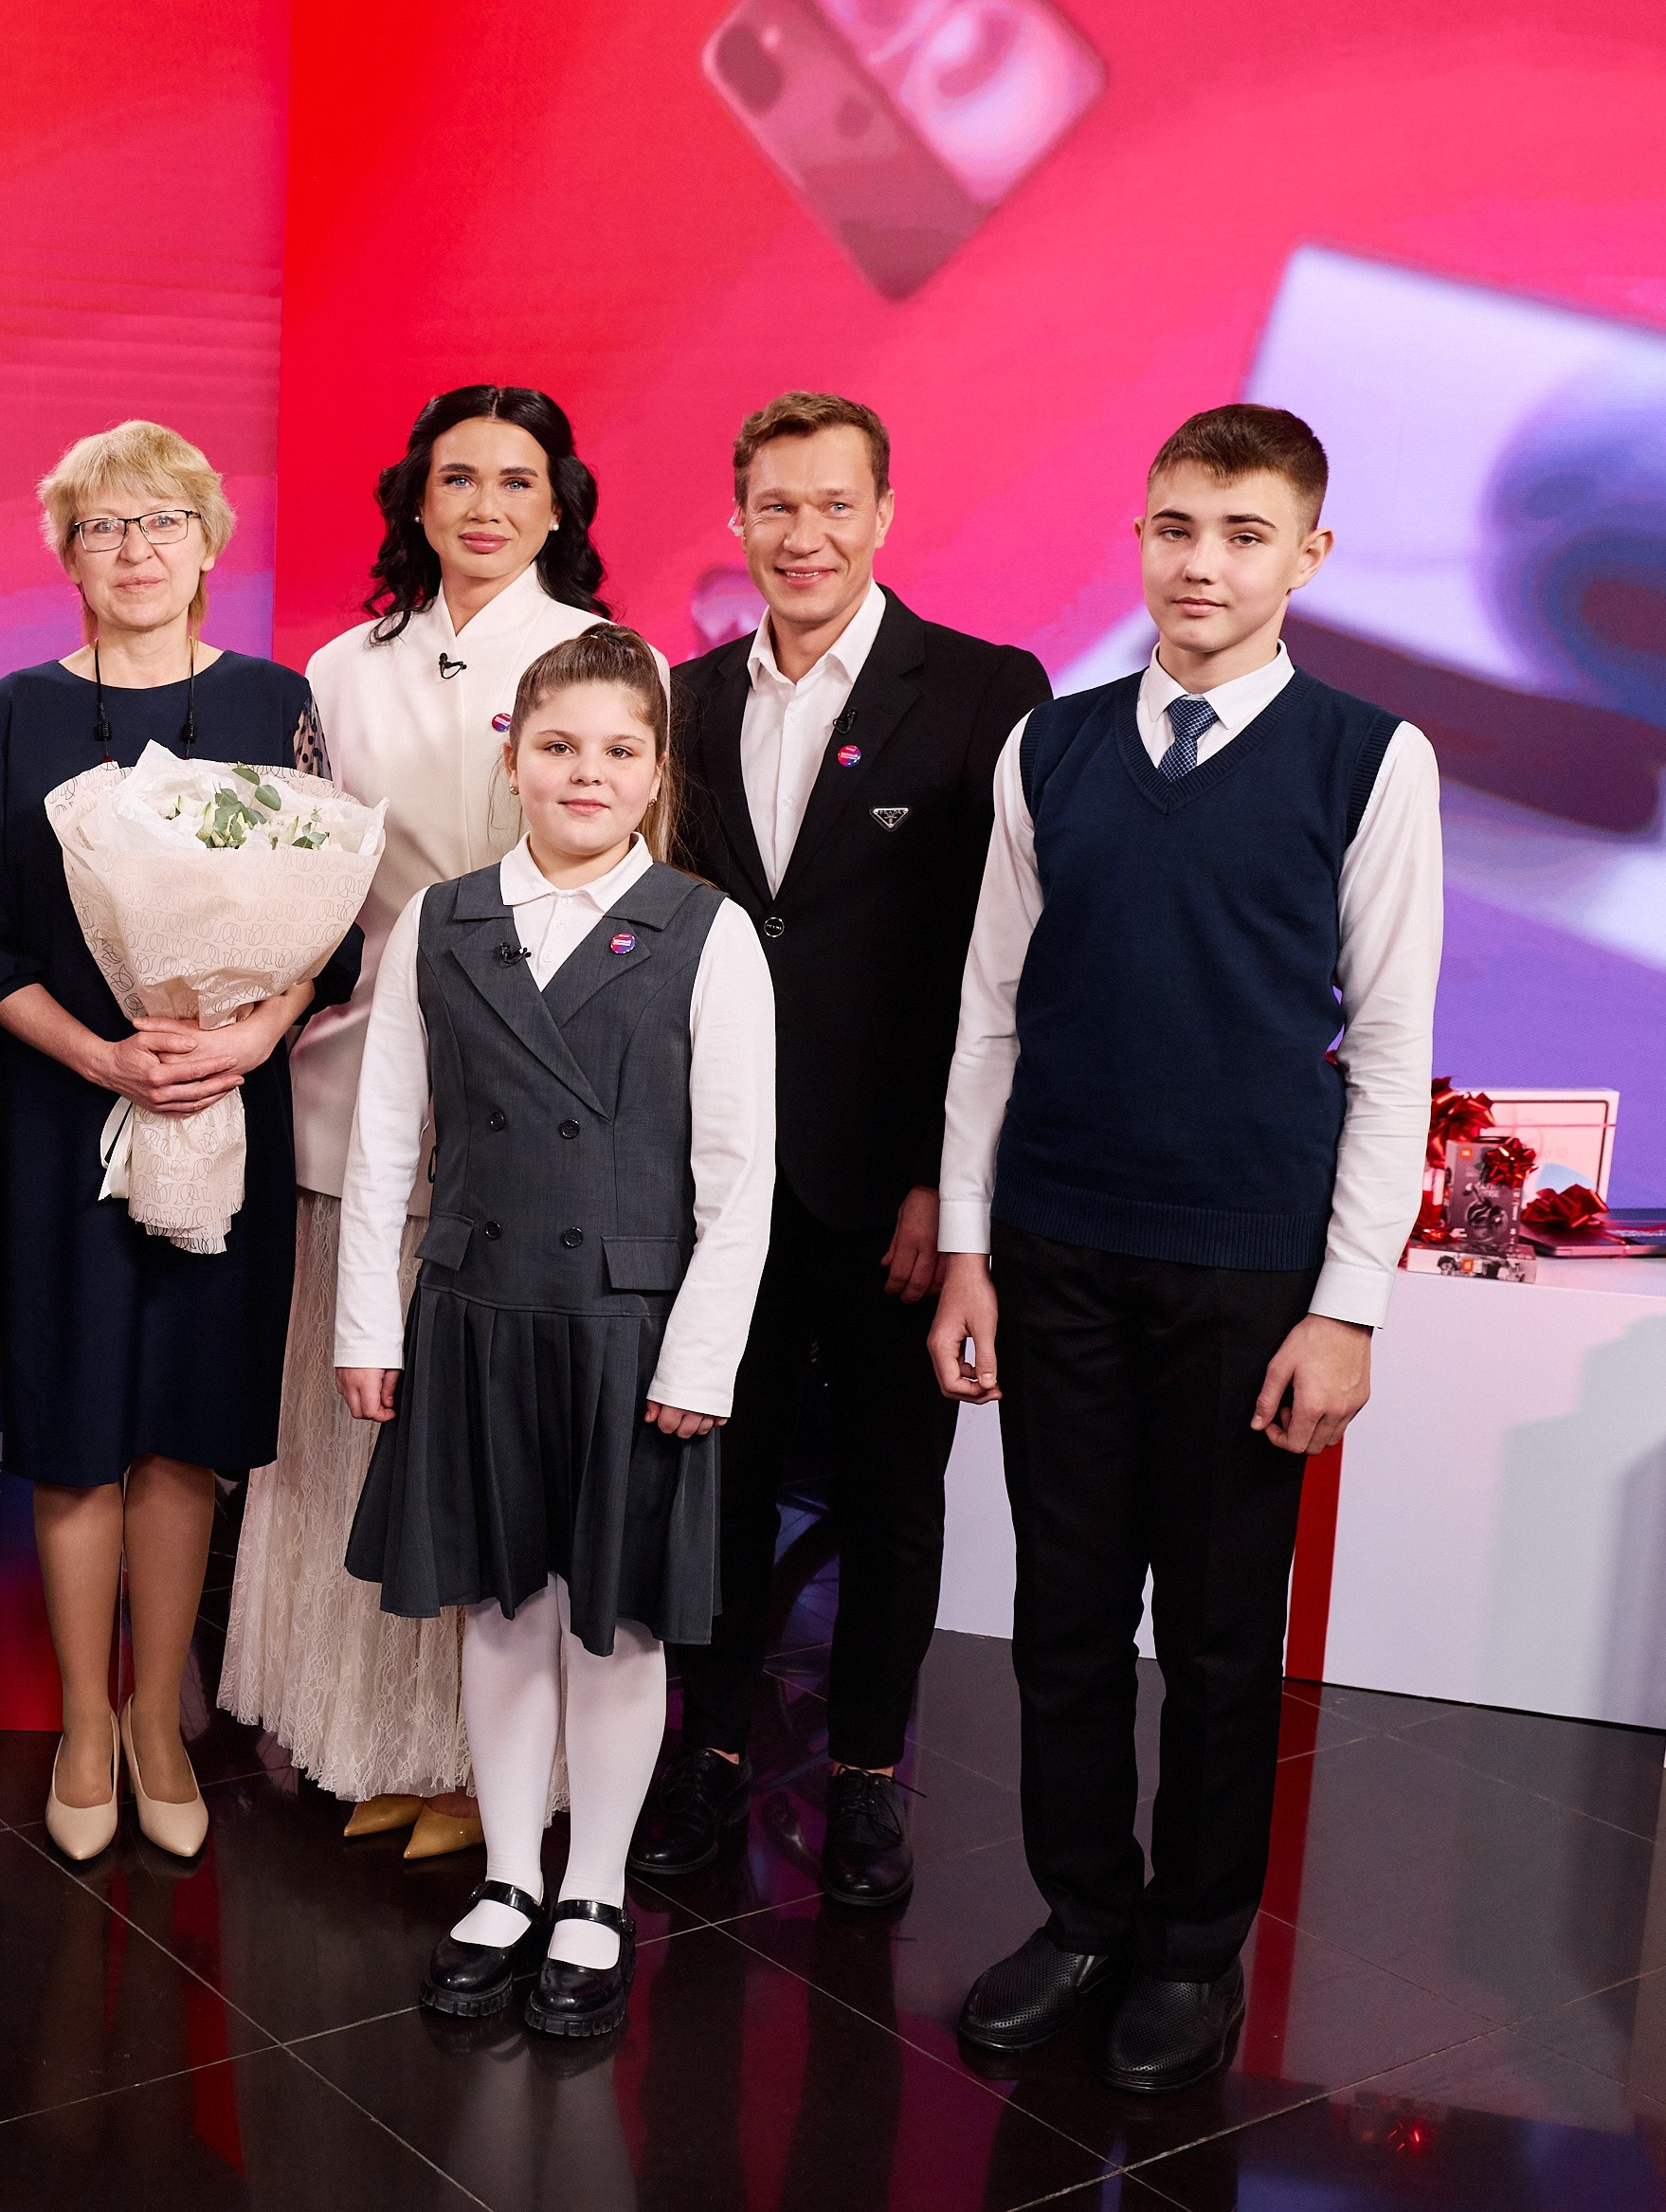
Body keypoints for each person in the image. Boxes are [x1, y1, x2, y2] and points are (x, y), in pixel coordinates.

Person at [932, 404, 1440, 2094]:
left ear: (1310, 554)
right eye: (1174, 527)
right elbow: (988, 1016)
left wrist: (1348, 1306)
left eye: (1241, 532)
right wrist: (971, 1251)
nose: (1200, 563)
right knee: (1066, 1614)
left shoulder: (1372, 758)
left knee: (1221, 1638)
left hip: (1249, 1267)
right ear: (1139, 536)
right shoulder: (1050, 749)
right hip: (1059, 1245)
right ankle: (1085, 1912)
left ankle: (1196, 1948)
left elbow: (1391, 1051)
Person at [635, 392, 1052, 1906]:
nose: (802, 534)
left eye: (832, 504)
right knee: (717, 1483)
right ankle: (709, 1747)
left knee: (891, 1493)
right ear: (737, 519)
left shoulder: (987, 690)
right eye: (775, 506)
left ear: (884, 513)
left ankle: (870, 1770)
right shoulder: (679, 696)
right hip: (717, 1181)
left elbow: (1000, 962)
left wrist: (952, 1185)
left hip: (893, 1186)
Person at [339, 624, 775, 2040]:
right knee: (504, 1604)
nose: (589, 773)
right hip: (474, 1311)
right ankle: (510, 1876)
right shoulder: (441, 920)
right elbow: (387, 1141)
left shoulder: (707, 932)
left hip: (629, 1334)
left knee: (617, 1619)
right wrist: (370, 1325)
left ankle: (595, 1890)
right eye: (560, 745)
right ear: (511, 755)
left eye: (620, 750)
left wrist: (701, 1357)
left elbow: (740, 1175)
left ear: (658, 769)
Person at [227, 384, 639, 1863]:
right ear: (415, 497)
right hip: (354, 1071)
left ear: (558, 503)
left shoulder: (608, 658)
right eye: (457, 478)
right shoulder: (342, 668)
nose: (484, 506)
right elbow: (311, 877)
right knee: (350, 1426)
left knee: (491, 1441)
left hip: (544, 1096)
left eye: (517, 480)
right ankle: (362, 1738)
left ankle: (485, 1769)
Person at [0, 421, 361, 1863]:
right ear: (67, 554)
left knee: (186, 1424)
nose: (134, 550)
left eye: (163, 521)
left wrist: (253, 1037)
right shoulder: (10, 714)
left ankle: (157, 1721)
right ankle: (80, 1720)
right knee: (76, 1431)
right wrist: (97, 1054)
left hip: (224, 1112)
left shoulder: (274, 700)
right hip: (63, 1114)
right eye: (103, 527)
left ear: (208, 543)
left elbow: (333, 920)